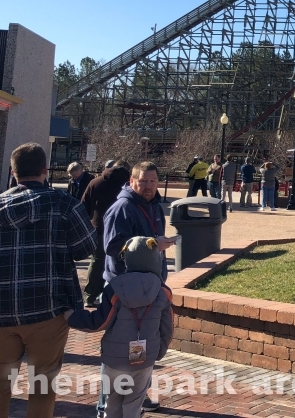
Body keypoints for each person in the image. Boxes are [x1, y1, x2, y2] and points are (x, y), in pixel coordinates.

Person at [0, 142, 99, 418]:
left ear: (13, 172)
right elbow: (85, 248)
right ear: (45, 170)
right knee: (42, 385)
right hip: (47, 311)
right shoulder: (65, 205)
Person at [69, 236, 174, 418]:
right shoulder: (163, 291)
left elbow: (99, 322)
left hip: (115, 359)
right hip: (145, 357)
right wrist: (158, 352)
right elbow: (167, 328)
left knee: (113, 401)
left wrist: (72, 317)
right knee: (134, 403)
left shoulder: (114, 288)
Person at [101, 161, 176, 415]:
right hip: (123, 287)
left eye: (153, 182)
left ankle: (140, 395)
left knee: (141, 345)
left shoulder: (154, 206)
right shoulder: (121, 208)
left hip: (149, 286)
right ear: (131, 181)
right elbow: (112, 246)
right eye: (143, 181)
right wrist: (153, 243)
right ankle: (105, 405)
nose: (148, 187)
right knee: (117, 346)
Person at [81, 160, 132, 306]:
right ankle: (117, 297)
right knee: (122, 263)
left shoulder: (95, 183)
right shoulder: (129, 186)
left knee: (97, 262)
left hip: (99, 228)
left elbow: (84, 204)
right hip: (122, 229)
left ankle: (90, 296)